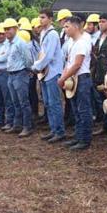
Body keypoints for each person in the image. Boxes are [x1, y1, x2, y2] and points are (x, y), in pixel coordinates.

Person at [59, 16, 93, 151]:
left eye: (67, 26)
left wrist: (62, 78)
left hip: (82, 78)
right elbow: (69, 63)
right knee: (76, 110)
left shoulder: (82, 42)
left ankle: (85, 139)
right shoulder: (72, 43)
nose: (65, 29)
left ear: (76, 27)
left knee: (83, 110)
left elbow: (77, 64)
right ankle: (79, 137)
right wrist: (64, 75)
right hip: (72, 79)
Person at [33, 8, 66, 143]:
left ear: (50, 19)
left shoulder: (52, 34)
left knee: (54, 103)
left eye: (43, 17)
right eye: (40, 17)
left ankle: (59, 131)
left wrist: (37, 66)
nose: (41, 20)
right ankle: (53, 130)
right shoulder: (43, 33)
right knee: (47, 103)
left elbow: (49, 55)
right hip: (45, 73)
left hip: (52, 72)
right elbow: (42, 53)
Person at [2, 19, 34, 137]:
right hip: (11, 74)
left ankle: (27, 126)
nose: (6, 31)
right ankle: (17, 125)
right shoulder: (9, 43)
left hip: (20, 74)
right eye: (5, 29)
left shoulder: (20, 43)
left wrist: (28, 70)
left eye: (9, 29)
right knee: (15, 102)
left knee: (23, 102)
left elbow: (28, 60)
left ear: (15, 29)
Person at [91, 13, 107, 136]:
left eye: (103, 21)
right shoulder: (100, 37)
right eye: (100, 21)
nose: (100, 23)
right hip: (98, 73)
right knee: (104, 101)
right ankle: (106, 127)